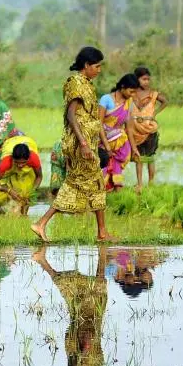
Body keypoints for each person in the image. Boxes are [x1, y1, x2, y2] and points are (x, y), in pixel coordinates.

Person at [32, 47, 114, 243]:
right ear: (86, 65)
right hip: (80, 144)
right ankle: (42, 223)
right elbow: (71, 114)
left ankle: (101, 232)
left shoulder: (86, 83)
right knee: (86, 183)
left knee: (92, 184)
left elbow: (91, 117)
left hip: (87, 143)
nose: (99, 70)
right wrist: (84, 143)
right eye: (97, 66)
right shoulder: (76, 83)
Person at [33, 246, 109, 366]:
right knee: (90, 298)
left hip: (84, 343)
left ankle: (102, 253)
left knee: (90, 299)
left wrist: (83, 349)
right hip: (85, 344)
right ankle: (102, 254)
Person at [100, 74, 141, 192]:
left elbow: (129, 127)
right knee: (102, 170)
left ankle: (117, 202)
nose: (132, 95)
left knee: (117, 173)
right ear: (122, 87)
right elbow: (98, 123)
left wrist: (134, 148)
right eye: (131, 91)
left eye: (134, 92)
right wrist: (107, 146)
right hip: (102, 141)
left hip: (119, 143)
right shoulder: (106, 99)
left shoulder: (129, 102)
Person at [131, 67, 168, 185]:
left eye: (148, 79)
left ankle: (151, 183)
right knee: (138, 158)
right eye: (143, 79)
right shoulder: (131, 93)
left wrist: (155, 113)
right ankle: (139, 183)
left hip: (149, 130)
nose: (146, 82)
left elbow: (165, 101)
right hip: (135, 130)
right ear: (136, 80)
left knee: (150, 157)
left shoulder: (153, 94)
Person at [0, 144, 43, 215]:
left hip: (26, 173)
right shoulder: (6, 162)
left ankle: (23, 216)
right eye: (17, 162)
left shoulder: (33, 159)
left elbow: (39, 177)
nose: (20, 165)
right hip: (7, 173)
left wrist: (32, 192)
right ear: (13, 158)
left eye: (23, 162)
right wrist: (8, 190)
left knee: (24, 196)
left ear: (28, 158)